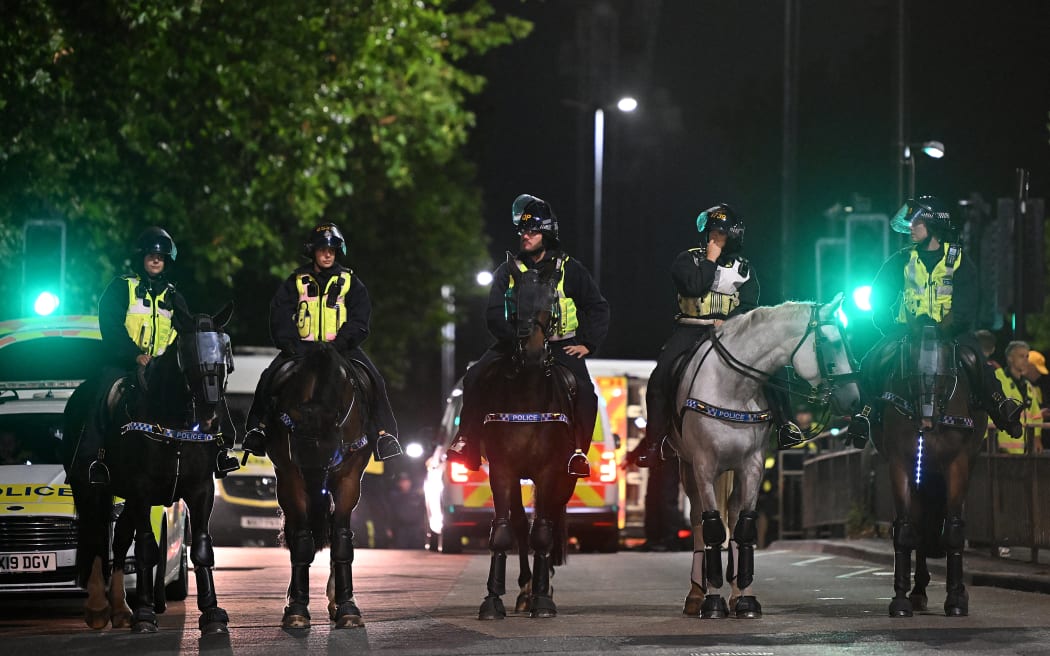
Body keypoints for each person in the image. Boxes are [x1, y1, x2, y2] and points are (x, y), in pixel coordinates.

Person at [446, 194, 610, 478]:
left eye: (532, 231)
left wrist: (587, 343)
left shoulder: (570, 269)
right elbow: (494, 314)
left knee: (586, 393)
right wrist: (514, 340)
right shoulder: (506, 271)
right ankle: (467, 441)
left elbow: (597, 306)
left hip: (560, 347)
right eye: (522, 230)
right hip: (512, 345)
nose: (525, 236)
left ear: (547, 233)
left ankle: (578, 453)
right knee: (474, 377)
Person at [626, 203, 799, 467]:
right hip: (690, 328)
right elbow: (695, 287)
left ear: (734, 237)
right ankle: (655, 442)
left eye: (721, 235)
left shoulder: (745, 268)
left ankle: (786, 425)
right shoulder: (687, 260)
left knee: (775, 366)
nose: (714, 238)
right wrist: (711, 259)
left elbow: (749, 305)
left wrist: (728, 322)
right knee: (660, 377)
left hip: (732, 334)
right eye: (712, 234)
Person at [845, 196, 1023, 448]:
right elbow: (878, 295)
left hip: (951, 332)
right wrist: (892, 326)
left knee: (976, 360)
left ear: (933, 227)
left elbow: (968, 299)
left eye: (916, 223)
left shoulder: (959, 259)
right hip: (907, 332)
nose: (911, 229)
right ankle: (862, 417)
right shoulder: (901, 260)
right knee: (872, 361)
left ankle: (1001, 405)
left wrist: (950, 326)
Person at [79, 228, 239, 483]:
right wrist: (134, 355)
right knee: (100, 395)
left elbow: (185, 332)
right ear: (141, 257)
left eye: (161, 257)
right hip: (124, 365)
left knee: (207, 388)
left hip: (163, 368)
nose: (156, 260)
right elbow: (110, 326)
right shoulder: (122, 288)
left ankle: (220, 450)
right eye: (151, 255)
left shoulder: (173, 295)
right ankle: (93, 458)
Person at [242, 223, 402, 461]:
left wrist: (342, 342)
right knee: (268, 378)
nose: (328, 254)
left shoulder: (351, 282)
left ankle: (384, 435)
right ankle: (258, 431)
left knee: (375, 380)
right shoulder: (296, 280)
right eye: (322, 249)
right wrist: (288, 342)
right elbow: (280, 312)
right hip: (301, 349)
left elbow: (360, 317)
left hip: (341, 349)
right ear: (313, 251)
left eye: (332, 250)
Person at [993, 341, 1043, 454]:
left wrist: (1037, 438)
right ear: (1010, 359)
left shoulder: (1027, 386)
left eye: (1027, 356)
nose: (1026, 360)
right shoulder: (999, 380)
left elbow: (1036, 415)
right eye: (1021, 356)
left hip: (1026, 450)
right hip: (1003, 450)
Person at [387, 472, 426, 549]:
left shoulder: (416, 495)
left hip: (415, 528)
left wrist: (423, 525)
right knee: (401, 549)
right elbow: (390, 513)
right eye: (402, 482)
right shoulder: (394, 496)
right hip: (401, 529)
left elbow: (423, 511)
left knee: (417, 549)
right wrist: (389, 528)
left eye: (406, 481)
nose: (405, 484)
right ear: (398, 483)